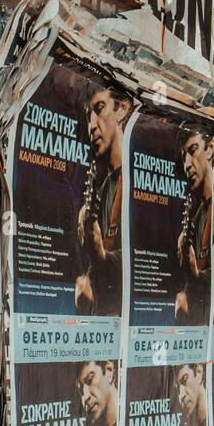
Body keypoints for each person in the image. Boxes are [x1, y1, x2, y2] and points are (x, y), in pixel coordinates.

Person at [75, 84, 133, 317]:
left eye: (99, 109)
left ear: (121, 109)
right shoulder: (105, 184)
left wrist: (101, 256)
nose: (92, 125)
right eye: (88, 116)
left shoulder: (136, 178)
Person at [174, 125, 214, 325]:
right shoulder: (194, 212)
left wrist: (196, 274)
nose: (187, 165)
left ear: (210, 148)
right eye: (183, 156)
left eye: (192, 151)